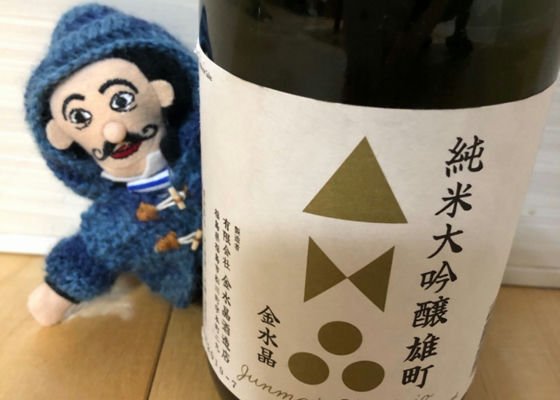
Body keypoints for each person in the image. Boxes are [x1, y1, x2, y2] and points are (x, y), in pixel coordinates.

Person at [24, 3, 202, 326]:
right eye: (80, 117)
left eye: (122, 100)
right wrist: (55, 294)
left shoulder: (206, 147)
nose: (113, 132)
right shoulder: (115, 220)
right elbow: (89, 255)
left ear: (162, 91)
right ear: (61, 136)